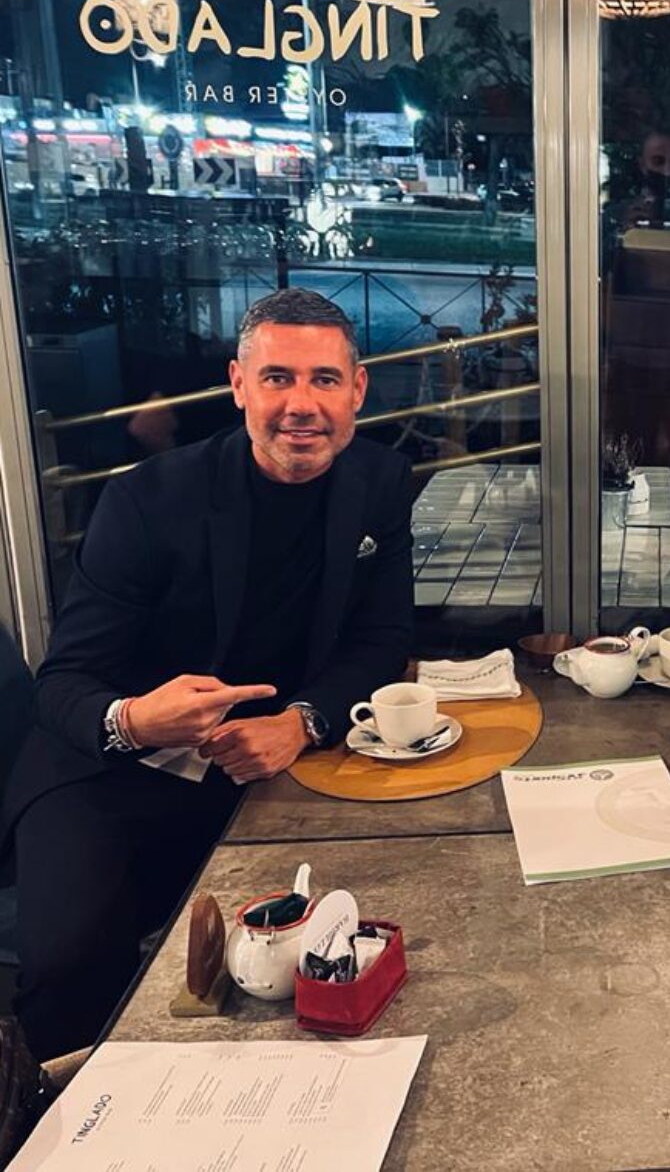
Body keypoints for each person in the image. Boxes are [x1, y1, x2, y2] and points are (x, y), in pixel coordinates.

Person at [2, 288, 415, 1060]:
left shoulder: (381, 483)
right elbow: (63, 684)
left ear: (357, 390)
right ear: (238, 385)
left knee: (332, 939)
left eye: (324, 380)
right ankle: (56, 1106)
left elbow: (382, 637)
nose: (302, 405)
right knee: (71, 964)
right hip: (107, 774)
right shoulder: (148, 501)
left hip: (258, 769)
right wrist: (134, 719)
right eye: (278, 378)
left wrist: (303, 722)